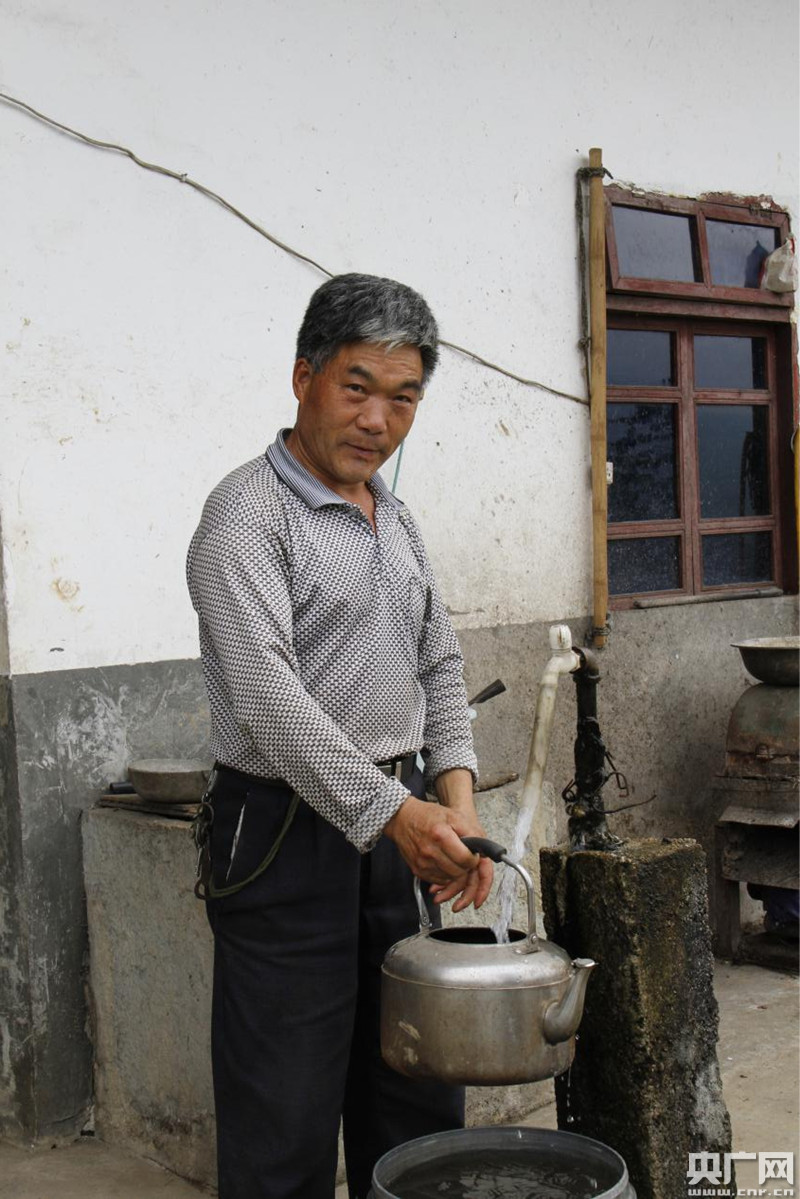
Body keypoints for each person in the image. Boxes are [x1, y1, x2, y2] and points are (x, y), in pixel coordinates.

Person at [186, 273, 492, 1199]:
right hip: (280, 834)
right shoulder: (245, 515)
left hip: (398, 831)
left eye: (403, 398)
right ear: (303, 375)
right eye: (356, 387)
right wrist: (394, 812)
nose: (377, 419)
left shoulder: (395, 522)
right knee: (284, 1111)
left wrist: (458, 807)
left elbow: (440, 665)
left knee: (415, 1089)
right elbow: (271, 702)